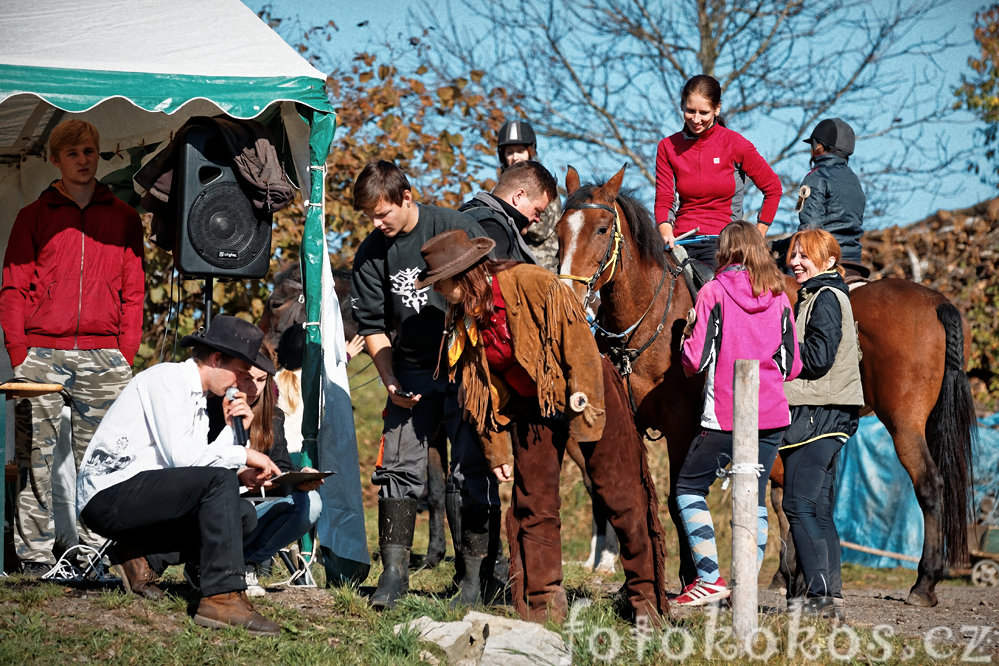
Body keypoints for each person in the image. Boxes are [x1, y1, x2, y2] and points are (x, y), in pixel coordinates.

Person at [415, 229, 667, 624]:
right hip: (533, 406)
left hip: (587, 389)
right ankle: (543, 609)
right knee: (533, 504)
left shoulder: (531, 282)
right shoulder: (464, 322)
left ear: (463, 274)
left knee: (622, 494)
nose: (440, 293)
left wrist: (585, 408)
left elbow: (579, 343)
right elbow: (482, 394)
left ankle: (645, 601)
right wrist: (497, 452)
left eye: (441, 284)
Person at [349, 160, 497, 610]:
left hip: (464, 369)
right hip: (410, 373)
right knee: (397, 468)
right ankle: (394, 574)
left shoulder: (454, 227)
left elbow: (491, 294)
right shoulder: (371, 253)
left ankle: (473, 577)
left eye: (382, 214)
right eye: (369, 217)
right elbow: (373, 326)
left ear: (407, 197)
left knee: (469, 470)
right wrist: (389, 378)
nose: (377, 224)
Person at [75, 315, 283, 635]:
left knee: (242, 514)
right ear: (216, 359)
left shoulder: (197, 399)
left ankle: (141, 557)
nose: (241, 383)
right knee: (219, 482)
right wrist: (244, 454)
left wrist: (232, 435)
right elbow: (186, 462)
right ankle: (222, 597)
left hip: (138, 495)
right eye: (240, 372)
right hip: (107, 496)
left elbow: (198, 470)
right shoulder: (167, 379)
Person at [0, 119, 144, 575]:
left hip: (106, 358)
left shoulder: (123, 217)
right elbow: (12, 289)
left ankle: (96, 557)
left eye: (91, 152)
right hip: (41, 354)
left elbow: (134, 291)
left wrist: (126, 351)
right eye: (74, 153)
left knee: (102, 461)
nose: (84, 160)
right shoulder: (33, 216)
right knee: (33, 460)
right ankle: (34, 559)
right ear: (55, 159)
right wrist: (20, 353)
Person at [673, 221, 801, 606]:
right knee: (756, 497)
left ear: (725, 252)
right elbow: (792, 365)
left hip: (725, 413)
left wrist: (684, 339)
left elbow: (694, 360)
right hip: (772, 414)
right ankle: (744, 585)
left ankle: (710, 577)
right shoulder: (779, 295)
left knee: (688, 488)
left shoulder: (712, 292)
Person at [781, 228, 863, 621]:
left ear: (829, 261)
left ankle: (820, 599)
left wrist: (776, 351)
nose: (795, 261)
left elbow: (816, 358)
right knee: (819, 509)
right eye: (793, 254)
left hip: (819, 413)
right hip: (830, 412)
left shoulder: (825, 298)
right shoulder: (820, 294)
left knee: (797, 505)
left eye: (804, 255)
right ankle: (832, 597)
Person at [206, 348, 324, 597]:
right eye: (248, 379)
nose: (255, 388)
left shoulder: (272, 416)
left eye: (262, 380)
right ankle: (206, 564)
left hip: (256, 504)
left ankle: (248, 563)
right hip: (215, 507)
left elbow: (281, 466)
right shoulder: (210, 408)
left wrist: (300, 476)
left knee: (310, 501)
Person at [654, 75, 782, 268]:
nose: (696, 119)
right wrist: (666, 232)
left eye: (703, 112)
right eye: (690, 111)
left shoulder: (736, 144)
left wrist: (757, 235)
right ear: (682, 106)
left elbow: (773, 188)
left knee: (713, 291)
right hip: (680, 242)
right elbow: (664, 198)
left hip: (723, 243)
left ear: (717, 109)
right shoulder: (667, 147)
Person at [794, 118, 866, 279]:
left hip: (825, 257)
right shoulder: (854, 180)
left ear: (818, 146)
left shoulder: (816, 176)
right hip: (854, 260)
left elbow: (810, 230)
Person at [459, 160, 557, 265]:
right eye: (537, 211)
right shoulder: (494, 228)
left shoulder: (468, 215)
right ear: (519, 195)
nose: (538, 219)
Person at [496, 120, 562, 272]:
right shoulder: (500, 187)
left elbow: (541, 230)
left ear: (530, 151)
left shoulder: (546, 185)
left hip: (544, 270)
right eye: (509, 152)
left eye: (520, 150)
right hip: (511, 269)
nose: (515, 157)